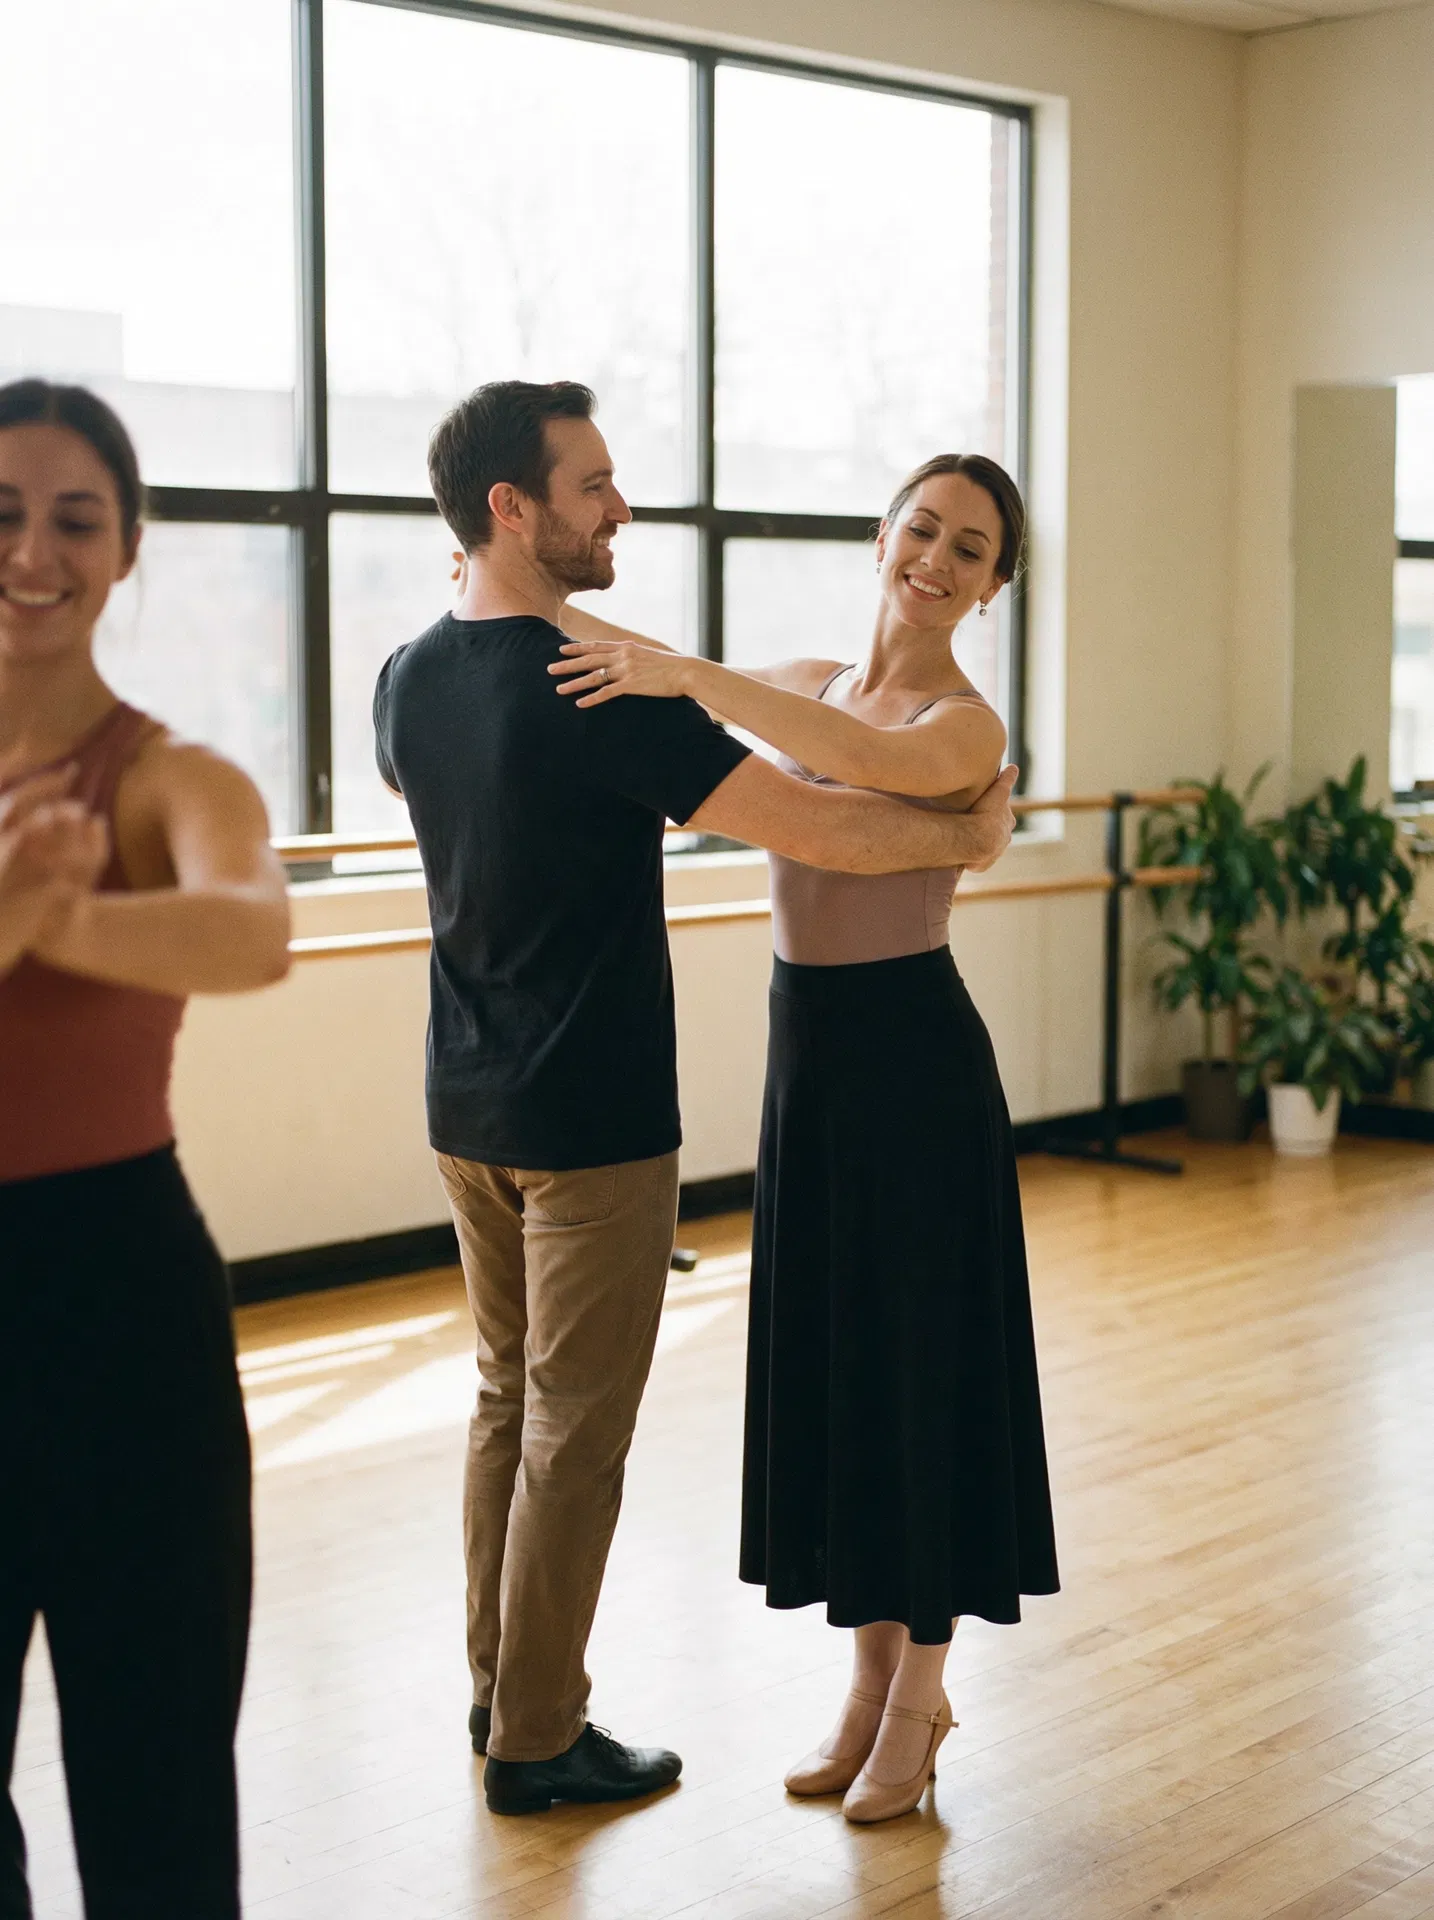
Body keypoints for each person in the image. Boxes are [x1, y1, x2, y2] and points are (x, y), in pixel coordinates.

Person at [373, 382, 1019, 1819]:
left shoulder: (408, 672)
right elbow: (821, 820)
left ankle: (506, 1693)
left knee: (507, 1407)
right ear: (512, 507)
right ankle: (536, 1733)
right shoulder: (602, 693)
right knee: (569, 1427)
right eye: (593, 485)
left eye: (966, 545)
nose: (620, 507)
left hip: (464, 1099)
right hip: (590, 1109)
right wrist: (969, 829)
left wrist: (945, 792)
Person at [550, 451, 1060, 1824]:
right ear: (882, 535)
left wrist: (702, 683)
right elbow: (657, 666)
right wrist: (505, 600)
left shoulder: (963, 727)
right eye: (919, 528)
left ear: (993, 582)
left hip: (913, 1067)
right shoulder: (811, 676)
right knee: (847, 1372)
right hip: (811, 1068)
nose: (934, 559)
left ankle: (918, 1696)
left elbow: (860, 765)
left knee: (923, 1373)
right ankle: (870, 1689)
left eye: (967, 547)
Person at [0, 378, 291, 1916]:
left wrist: (64, 914)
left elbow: (251, 934)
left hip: (121, 1304)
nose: (31, 551)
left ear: (124, 552)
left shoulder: (174, 775)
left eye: (73, 518)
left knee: (157, 1765)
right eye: (0, 512)